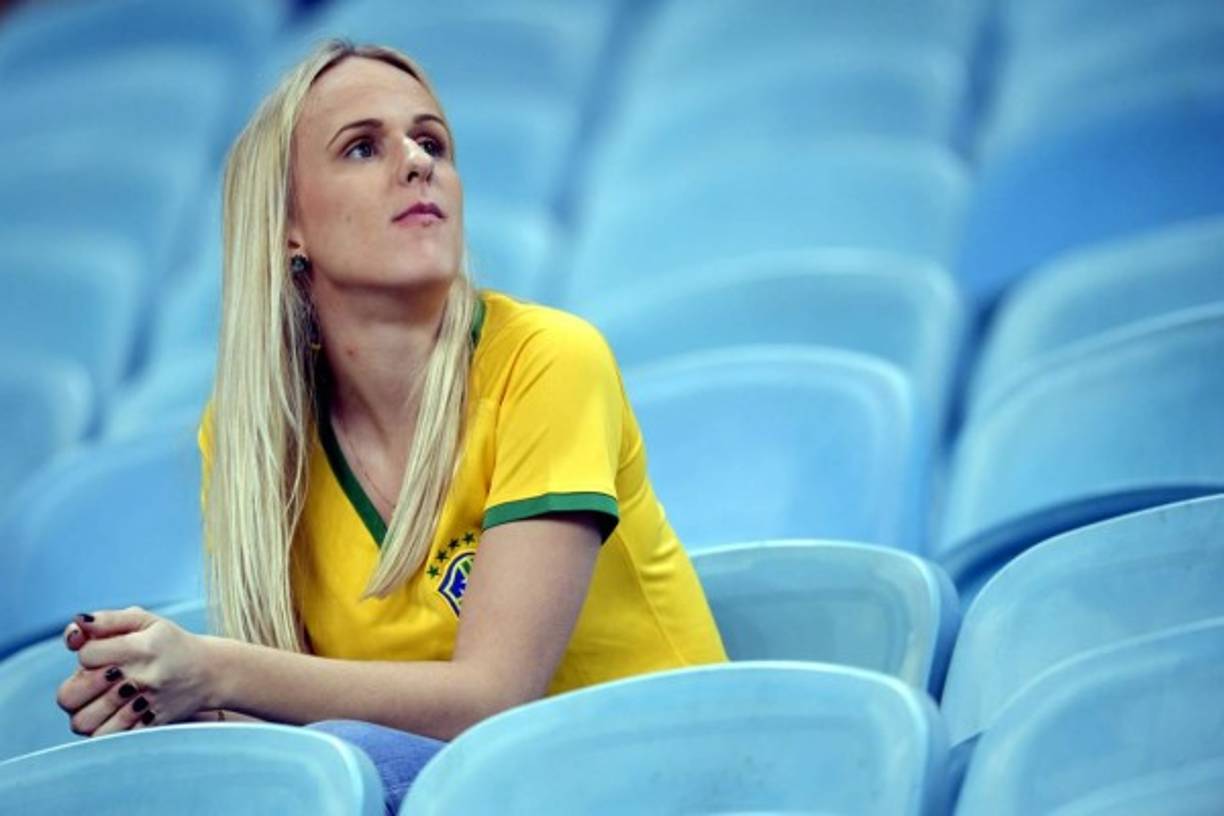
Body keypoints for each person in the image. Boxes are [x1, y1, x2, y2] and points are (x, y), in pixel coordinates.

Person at [55, 39, 726, 811]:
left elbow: (494, 700)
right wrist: (153, 696)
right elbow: (299, 720)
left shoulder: (549, 361)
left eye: (431, 141)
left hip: (673, 776)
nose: (416, 162)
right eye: (363, 147)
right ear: (287, 229)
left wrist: (216, 670)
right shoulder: (249, 438)